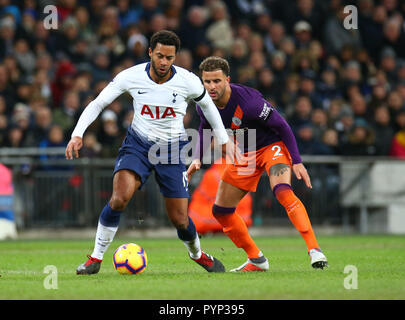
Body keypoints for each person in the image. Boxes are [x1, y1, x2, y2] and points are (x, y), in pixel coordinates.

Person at [65, 30, 240, 275]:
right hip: (138, 144)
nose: (164, 62)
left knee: (180, 219)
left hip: (172, 150)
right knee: (119, 198)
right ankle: (95, 258)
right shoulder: (131, 76)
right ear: (150, 53)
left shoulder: (188, 81)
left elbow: (208, 106)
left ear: (175, 57)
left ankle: (198, 254)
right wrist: (77, 134)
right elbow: (98, 103)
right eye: (159, 56)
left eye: (169, 57)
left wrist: (223, 140)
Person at [187, 56, 328, 271]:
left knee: (282, 191)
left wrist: (297, 161)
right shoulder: (203, 104)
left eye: (217, 81)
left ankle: (315, 250)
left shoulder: (250, 104)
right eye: (207, 81)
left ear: (227, 80)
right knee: (221, 211)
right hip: (244, 153)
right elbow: (205, 129)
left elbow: (282, 126)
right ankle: (257, 260)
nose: (211, 86)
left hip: (272, 147)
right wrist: (197, 157)